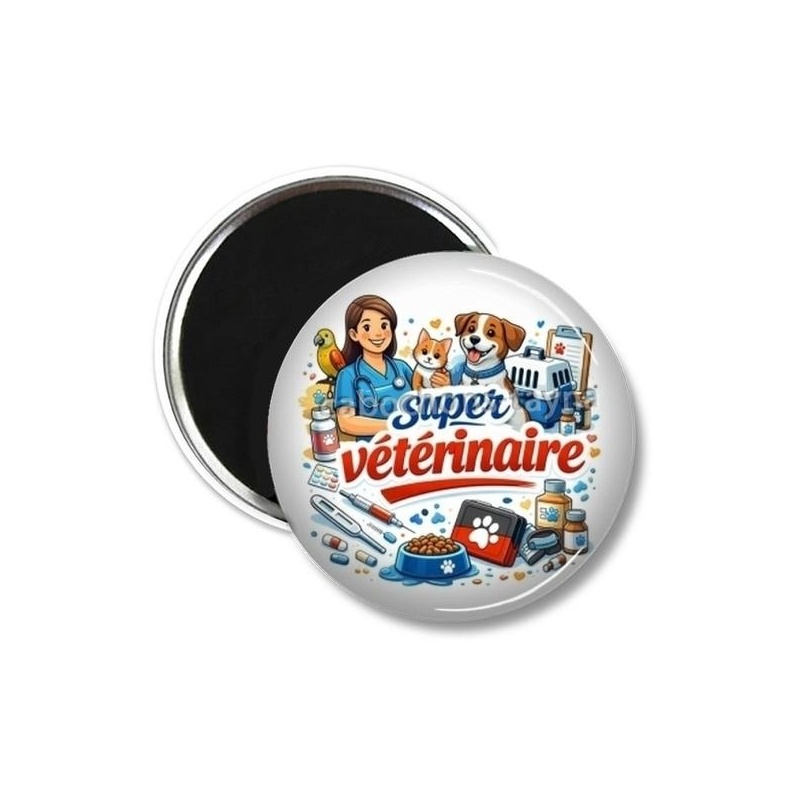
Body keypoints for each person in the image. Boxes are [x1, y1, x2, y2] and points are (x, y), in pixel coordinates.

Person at [334, 295, 447, 439]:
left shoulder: (401, 368)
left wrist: (444, 388)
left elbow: (425, 401)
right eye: (367, 327)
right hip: (375, 450)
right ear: (354, 334)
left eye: (384, 326)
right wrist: (397, 425)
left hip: (415, 445)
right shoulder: (348, 375)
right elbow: (346, 422)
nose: (378, 334)